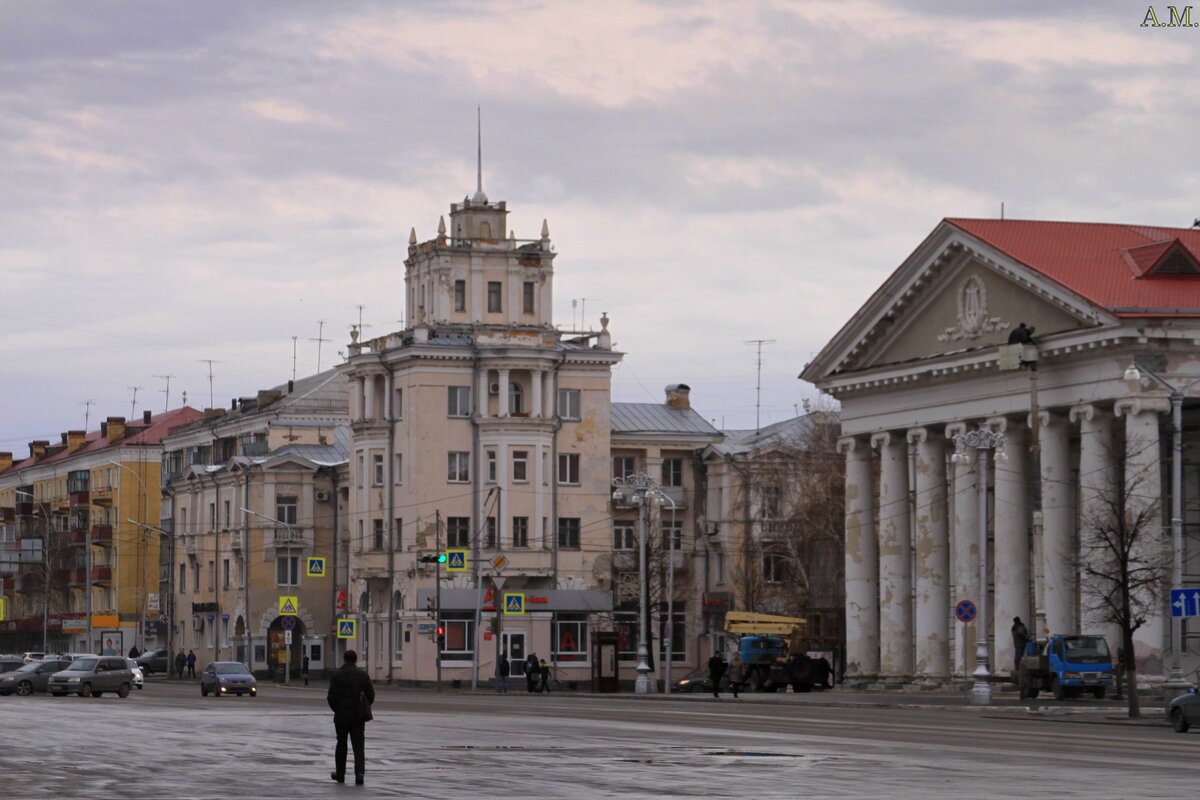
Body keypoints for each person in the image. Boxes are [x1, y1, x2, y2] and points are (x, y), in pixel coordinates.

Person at [327, 649, 374, 786]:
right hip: (358, 716)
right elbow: (371, 695)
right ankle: (359, 774)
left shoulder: (337, 675)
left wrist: (338, 709)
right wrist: (363, 706)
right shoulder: (363, 675)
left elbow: (331, 697)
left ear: (344, 659)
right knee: (358, 745)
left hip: (341, 717)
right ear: (355, 660)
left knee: (341, 744)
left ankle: (340, 774)